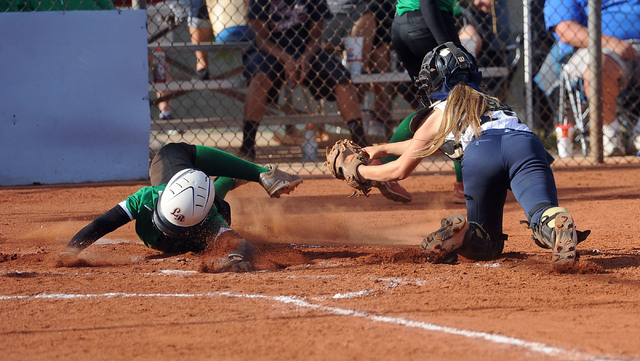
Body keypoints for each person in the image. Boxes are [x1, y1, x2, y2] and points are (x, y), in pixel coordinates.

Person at [352, 42, 590, 265]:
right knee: (541, 213)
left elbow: (400, 168)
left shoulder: (441, 111)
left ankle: (462, 234)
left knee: (486, 243)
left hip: (481, 155)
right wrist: (382, 148)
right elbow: (426, 144)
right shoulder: (492, 103)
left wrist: (360, 171)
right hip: (524, 145)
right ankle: (554, 221)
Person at [56, 142, 303, 272]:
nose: (165, 233)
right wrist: (72, 250)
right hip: (178, 159)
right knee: (170, 152)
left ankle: (245, 176)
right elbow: (103, 223)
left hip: (208, 206)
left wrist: (236, 259)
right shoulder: (147, 198)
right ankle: (260, 173)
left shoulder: (211, 219)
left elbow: (241, 245)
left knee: (216, 200)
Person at [239, 0, 369, 160]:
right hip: (269, 52)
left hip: (306, 51)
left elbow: (315, 37)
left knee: (342, 79)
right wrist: (287, 59)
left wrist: (304, 59)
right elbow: (262, 40)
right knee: (260, 79)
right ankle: (247, 147)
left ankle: (360, 143)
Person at [544, 0, 640, 156]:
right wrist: (609, 42)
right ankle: (610, 136)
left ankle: (638, 136)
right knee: (600, 64)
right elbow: (566, 30)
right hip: (596, 49)